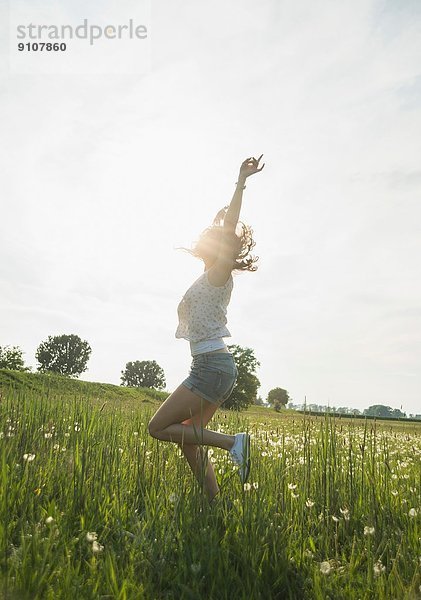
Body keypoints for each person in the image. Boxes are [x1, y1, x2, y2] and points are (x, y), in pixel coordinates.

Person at [148, 154, 265, 505]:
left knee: (157, 428)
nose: (207, 239)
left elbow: (229, 227)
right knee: (189, 438)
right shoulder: (207, 273)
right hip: (213, 365)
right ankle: (214, 505)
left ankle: (234, 443)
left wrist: (241, 181)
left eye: (215, 238)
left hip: (212, 365)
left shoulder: (218, 274)